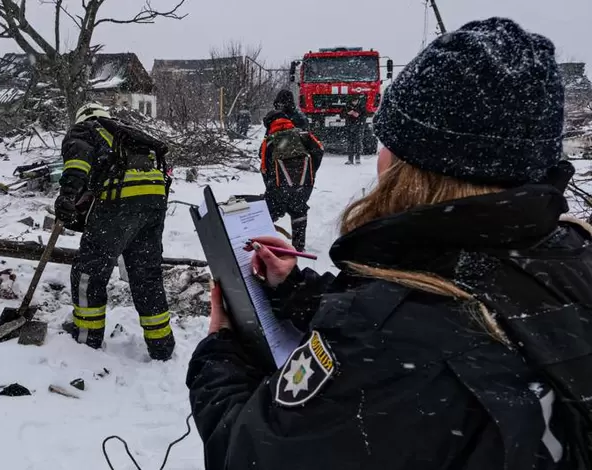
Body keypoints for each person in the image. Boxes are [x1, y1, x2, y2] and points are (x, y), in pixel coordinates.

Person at [187, 18, 586, 469]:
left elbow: (250, 454)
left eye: (386, 139)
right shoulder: (569, 258)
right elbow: (436, 295)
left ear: (410, 164)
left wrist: (222, 353)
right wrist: (297, 288)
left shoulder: (386, 347)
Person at [54, 102, 175, 361]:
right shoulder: (124, 133)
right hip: (154, 199)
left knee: (89, 273)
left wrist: (66, 195)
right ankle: (162, 345)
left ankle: (87, 337)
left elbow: (78, 159)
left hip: (119, 200)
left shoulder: (84, 130)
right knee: (147, 275)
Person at [259, 100, 325, 250]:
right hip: (303, 185)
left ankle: (265, 245)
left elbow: (264, 168)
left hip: (279, 188)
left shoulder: (269, 143)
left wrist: (271, 187)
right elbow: (319, 150)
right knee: (299, 210)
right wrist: (311, 171)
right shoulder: (304, 136)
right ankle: (298, 246)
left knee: (268, 214)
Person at [342, 94, 368, 164]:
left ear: (358, 101)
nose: (355, 102)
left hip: (359, 126)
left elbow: (365, 116)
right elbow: (342, 114)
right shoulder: (347, 106)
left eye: (356, 101)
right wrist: (348, 113)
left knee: (358, 142)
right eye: (353, 101)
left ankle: (357, 158)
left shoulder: (362, 106)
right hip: (349, 126)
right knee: (350, 143)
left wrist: (358, 115)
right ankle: (350, 159)